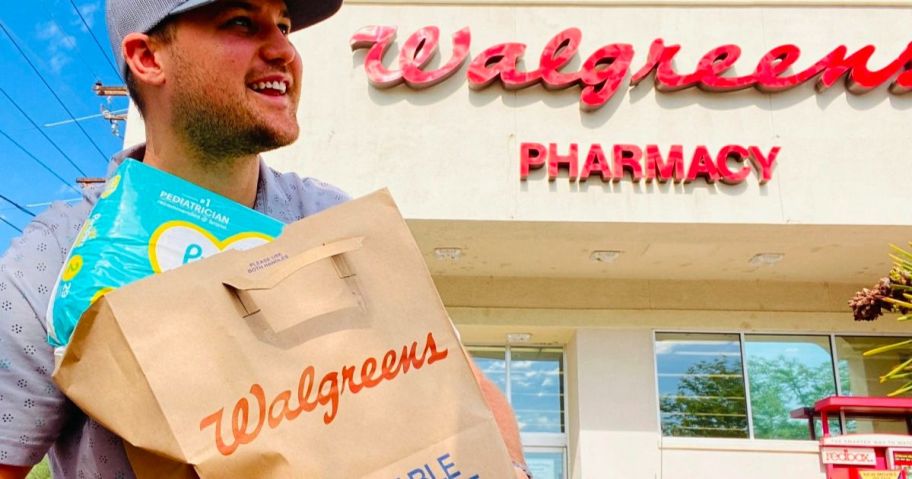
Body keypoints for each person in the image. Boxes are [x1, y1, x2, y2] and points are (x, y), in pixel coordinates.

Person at [0, 0, 532, 478]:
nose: (284, 49)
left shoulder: (330, 219)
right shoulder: (57, 260)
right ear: (148, 58)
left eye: (282, 24)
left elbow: (461, 385)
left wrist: (510, 468)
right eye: (240, 22)